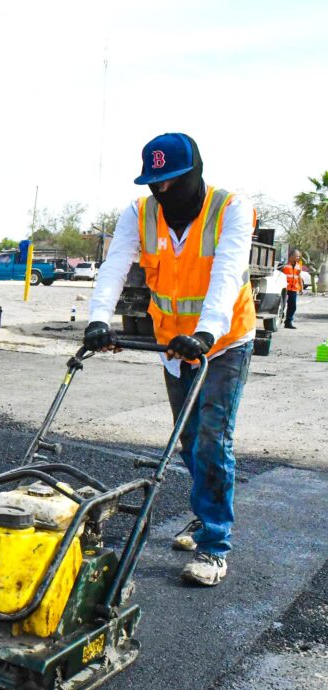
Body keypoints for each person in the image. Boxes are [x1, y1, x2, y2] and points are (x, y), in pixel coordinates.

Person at [83, 133, 254, 587]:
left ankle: (215, 545)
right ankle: (203, 517)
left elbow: (227, 271)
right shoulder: (138, 213)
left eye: (171, 183)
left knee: (213, 440)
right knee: (189, 436)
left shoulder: (230, 208)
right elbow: (116, 264)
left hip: (225, 340)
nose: (161, 193)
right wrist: (99, 319)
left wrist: (205, 332)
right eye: (154, 184)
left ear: (194, 174)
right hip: (173, 342)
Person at [282, 249, 304, 328]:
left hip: (294, 289)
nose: (298, 258)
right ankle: (280, 318)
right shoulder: (284, 265)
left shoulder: (298, 265)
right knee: (282, 305)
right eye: (296, 256)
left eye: (298, 256)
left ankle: (288, 322)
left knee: (293, 306)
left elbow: (299, 277)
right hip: (284, 289)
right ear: (291, 256)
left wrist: (301, 288)